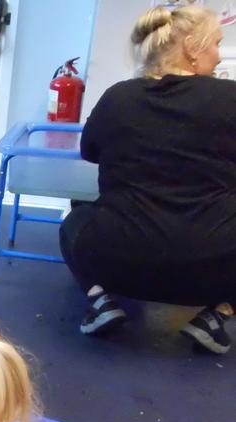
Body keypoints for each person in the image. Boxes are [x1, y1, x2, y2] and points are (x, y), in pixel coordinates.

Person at [61, 5, 236, 353]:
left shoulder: (118, 97)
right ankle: (218, 314)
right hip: (212, 271)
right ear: (192, 47)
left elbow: (89, 151)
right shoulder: (231, 98)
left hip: (119, 264)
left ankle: (100, 300)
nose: (218, 56)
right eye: (216, 43)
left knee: (74, 220)